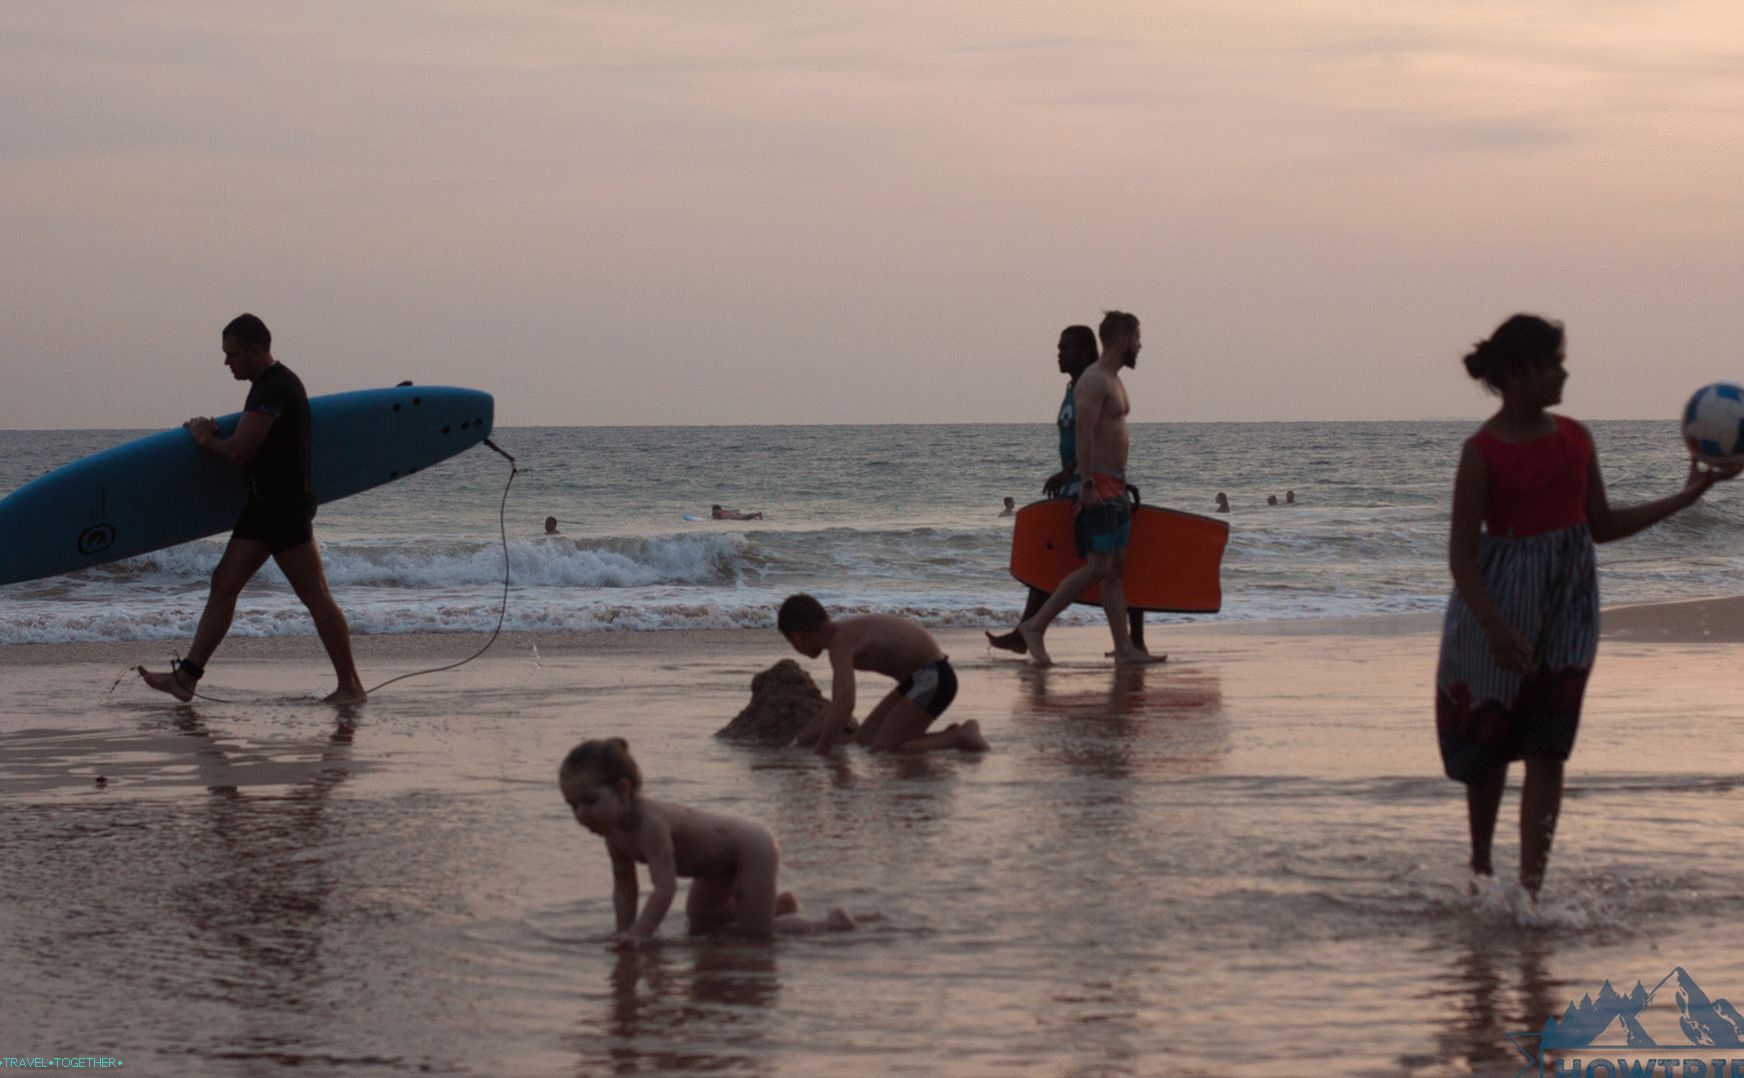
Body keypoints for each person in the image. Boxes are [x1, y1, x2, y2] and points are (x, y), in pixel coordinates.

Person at [1436, 313, 1736, 899]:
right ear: (1519, 373)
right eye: (1552, 362)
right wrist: (1496, 630)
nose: (1564, 372)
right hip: (1498, 608)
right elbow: (1462, 558)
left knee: (1549, 746)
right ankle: (1480, 869)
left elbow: (1599, 525)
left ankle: (1531, 891)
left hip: (1569, 609)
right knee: (1492, 744)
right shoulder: (1481, 453)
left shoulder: (1576, 438)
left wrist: (1688, 495)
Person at [138, 314, 366, 704]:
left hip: (281, 509)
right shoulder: (270, 386)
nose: (227, 363)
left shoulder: (273, 389)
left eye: (232, 354)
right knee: (224, 584)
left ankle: (350, 687)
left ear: (257, 350)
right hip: (266, 506)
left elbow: (240, 452)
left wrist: (204, 438)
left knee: (314, 596)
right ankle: (187, 678)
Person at [559, 738, 854, 941]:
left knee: (756, 938)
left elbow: (665, 888)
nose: (581, 813)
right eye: (573, 805)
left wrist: (644, 929)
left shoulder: (650, 823)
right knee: (702, 924)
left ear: (623, 790)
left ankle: (828, 925)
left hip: (749, 850)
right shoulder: (614, 834)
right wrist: (623, 932)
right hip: (712, 867)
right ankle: (774, 905)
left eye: (590, 801)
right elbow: (625, 888)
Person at [1016, 312, 1164, 667]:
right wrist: (1085, 483)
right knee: (1098, 566)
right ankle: (1035, 626)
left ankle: (1125, 648)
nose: (1141, 346)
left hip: (1114, 481)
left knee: (1114, 568)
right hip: (1096, 483)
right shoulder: (1095, 381)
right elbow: (1083, 432)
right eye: (1138, 339)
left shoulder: (1113, 380)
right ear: (1123, 339)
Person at [986, 326, 1146, 655]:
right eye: (1059, 348)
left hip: (1088, 484)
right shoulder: (1074, 386)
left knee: (1112, 562)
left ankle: (1130, 639)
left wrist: (1075, 473)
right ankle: (1032, 630)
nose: (1059, 354)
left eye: (1067, 348)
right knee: (1088, 561)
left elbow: (1092, 433)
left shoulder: (1090, 384)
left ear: (1087, 352)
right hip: (1084, 483)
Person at [779, 594, 989, 754]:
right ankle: (948, 735)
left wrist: (822, 750)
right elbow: (837, 704)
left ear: (798, 637)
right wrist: (800, 741)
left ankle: (961, 737)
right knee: (865, 741)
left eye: (791, 642)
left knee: (884, 749)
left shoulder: (840, 644)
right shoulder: (841, 635)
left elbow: (845, 704)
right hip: (919, 679)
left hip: (934, 677)